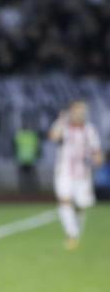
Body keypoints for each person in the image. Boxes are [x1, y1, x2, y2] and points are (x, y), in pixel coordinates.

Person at [49, 101, 103, 249]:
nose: (80, 115)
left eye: (82, 112)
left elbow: (97, 152)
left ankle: (75, 233)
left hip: (83, 174)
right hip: (64, 172)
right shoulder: (63, 126)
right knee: (65, 200)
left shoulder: (89, 130)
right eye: (77, 112)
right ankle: (71, 234)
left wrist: (97, 159)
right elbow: (53, 136)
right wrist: (61, 120)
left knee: (80, 205)